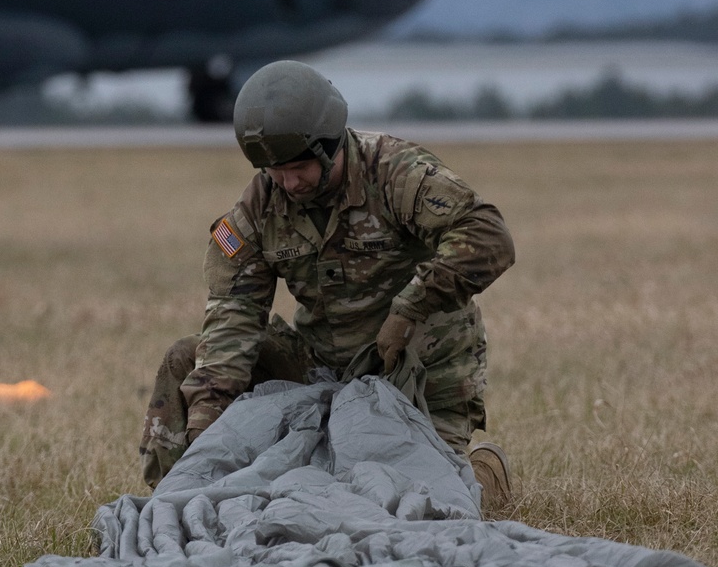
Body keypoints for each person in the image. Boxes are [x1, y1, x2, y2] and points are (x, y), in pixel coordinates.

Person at [139, 60, 517, 508]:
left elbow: (487, 235)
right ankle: (173, 502)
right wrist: (206, 434)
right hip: (322, 373)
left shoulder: (395, 172)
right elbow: (232, 319)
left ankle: (480, 475)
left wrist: (411, 307)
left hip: (416, 375)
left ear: (329, 146)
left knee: (410, 503)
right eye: (274, 171)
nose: (288, 182)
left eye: (298, 167)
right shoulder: (261, 206)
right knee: (188, 357)